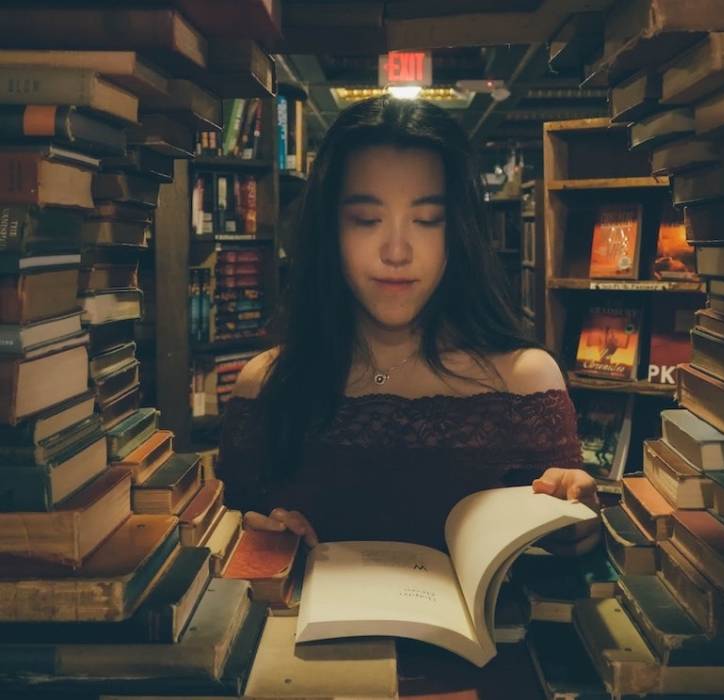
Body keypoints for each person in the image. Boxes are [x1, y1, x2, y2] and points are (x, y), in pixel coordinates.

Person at [217, 95, 599, 555]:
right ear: (330, 231)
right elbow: (232, 547)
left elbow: (567, 561)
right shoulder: (264, 384)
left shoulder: (523, 381)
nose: (396, 252)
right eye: (366, 219)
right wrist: (261, 541)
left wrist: (579, 524)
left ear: (457, 232)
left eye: (425, 220)